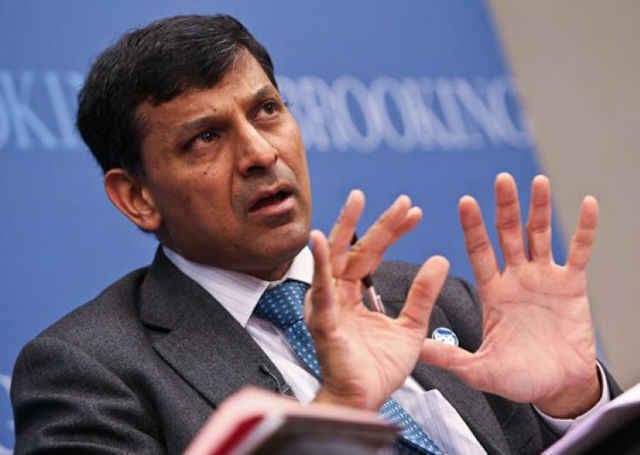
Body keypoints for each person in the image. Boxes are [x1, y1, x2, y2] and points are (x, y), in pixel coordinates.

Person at [10, 14, 619, 455]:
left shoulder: (436, 303)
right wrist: (334, 417)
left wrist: (573, 403)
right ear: (137, 197)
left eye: (266, 110)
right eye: (206, 137)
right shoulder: (90, 370)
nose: (259, 153)